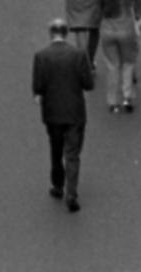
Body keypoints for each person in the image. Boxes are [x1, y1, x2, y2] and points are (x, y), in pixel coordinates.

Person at [32, 19, 94, 213]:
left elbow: (38, 86)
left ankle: (58, 185)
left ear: (51, 34)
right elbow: (88, 84)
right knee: (73, 154)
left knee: (56, 150)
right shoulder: (79, 54)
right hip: (75, 111)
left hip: (53, 112)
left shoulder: (41, 56)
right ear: (66, 33)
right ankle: (72, 194)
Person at [93, 0, 141, 114]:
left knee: (112, 65)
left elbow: (96, 9)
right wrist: (139, 16)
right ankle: (127, 97)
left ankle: (113, 102)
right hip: (126, 29)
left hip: (107, 30)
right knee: (128, 62)